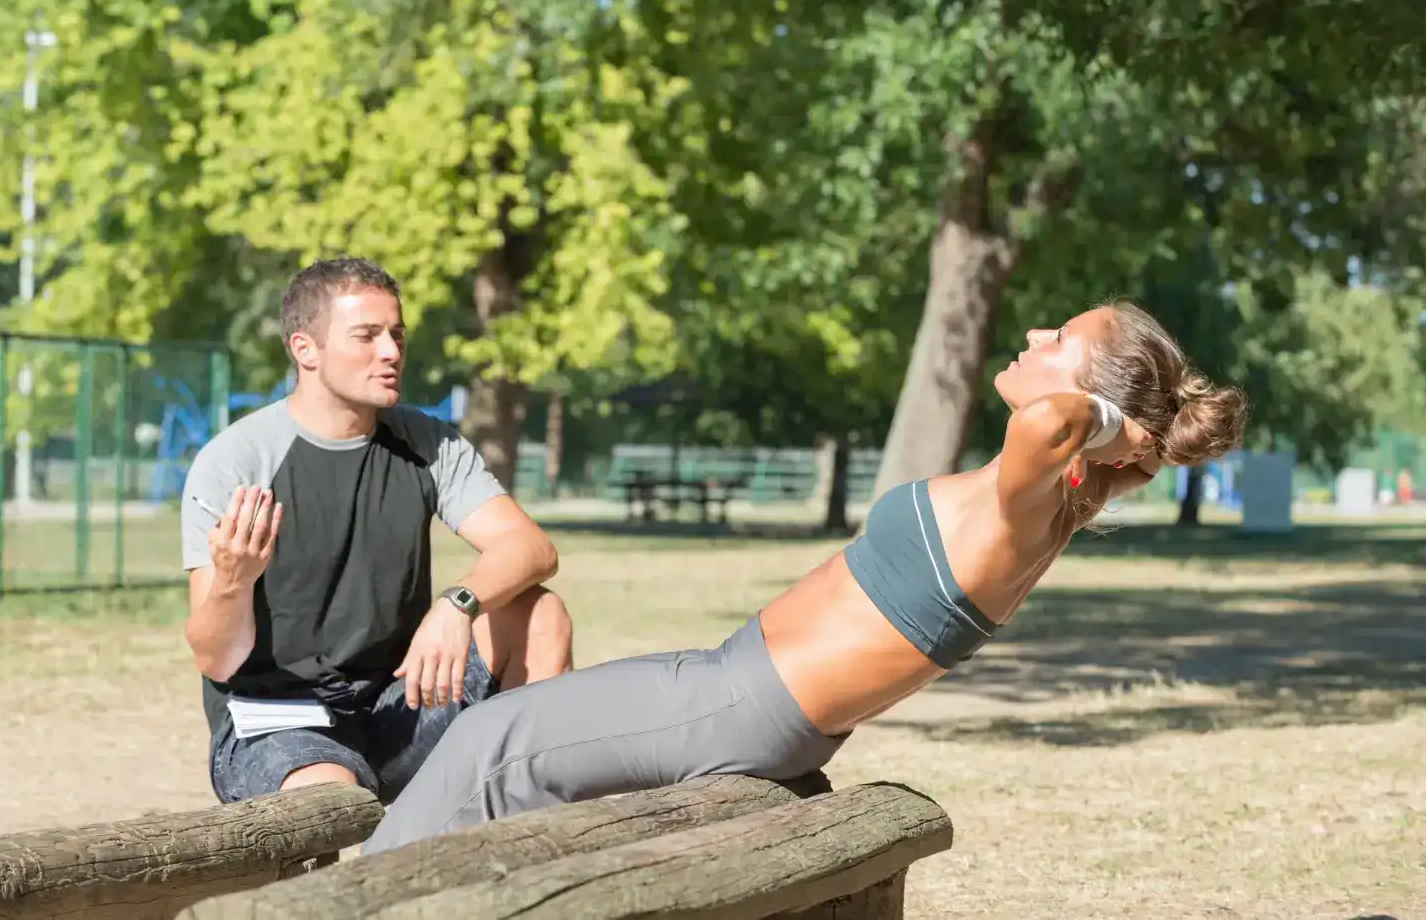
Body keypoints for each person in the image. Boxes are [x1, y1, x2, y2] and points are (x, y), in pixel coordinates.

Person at [360, 298, 1248, 852]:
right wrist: (1118, 421)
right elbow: (1059, 421)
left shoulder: (1030, 502)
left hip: (744, 703)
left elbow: (1048, 421)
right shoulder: (1045, 507)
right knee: (512, 757)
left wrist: (1113, 418)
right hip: (735, 688)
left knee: (489, 748)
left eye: (1059, 337)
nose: (1032, 333)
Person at [180, 256, 573, 806]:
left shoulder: (426, 442)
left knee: (538, 615)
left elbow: (531, 548)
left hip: (400, 701)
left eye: (395, 334)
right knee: (334, 801)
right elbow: (216, 661)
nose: (390, 352)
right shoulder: (236, 463)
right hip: (281, 723)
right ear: (304, 350)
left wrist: (458, 603)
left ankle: (515, 841)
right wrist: (231, 581)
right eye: (366, 336)